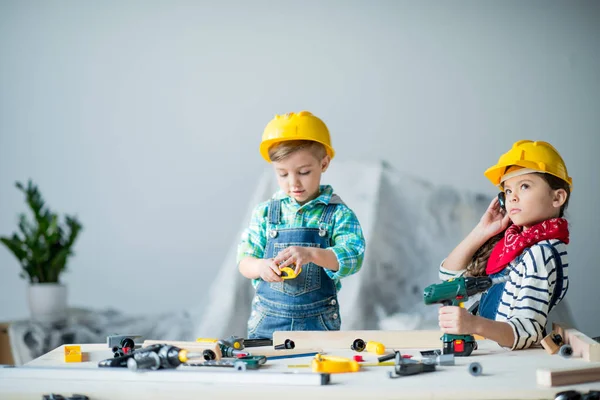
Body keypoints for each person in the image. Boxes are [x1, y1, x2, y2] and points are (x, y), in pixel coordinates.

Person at [237, 111, 366, 339]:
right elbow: (245, 260)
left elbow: (353, 257)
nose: (293, 182)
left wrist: (312, 254)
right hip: (268, 323)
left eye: (304, 172)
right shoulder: (265, 213)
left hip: (318, 323)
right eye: (282, 174)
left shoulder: (338, 214)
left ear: (324, 163)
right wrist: (260, 267)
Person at [438, 140, 571, 350]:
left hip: (511, 357)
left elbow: (526, 331)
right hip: (492, 350)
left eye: (524, 186)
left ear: (557, 197)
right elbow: (449, 278)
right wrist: (482, 231)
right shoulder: (512, 243)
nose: (513, 197)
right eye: (508, 191)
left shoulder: (542, 253)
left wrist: (473, 324)